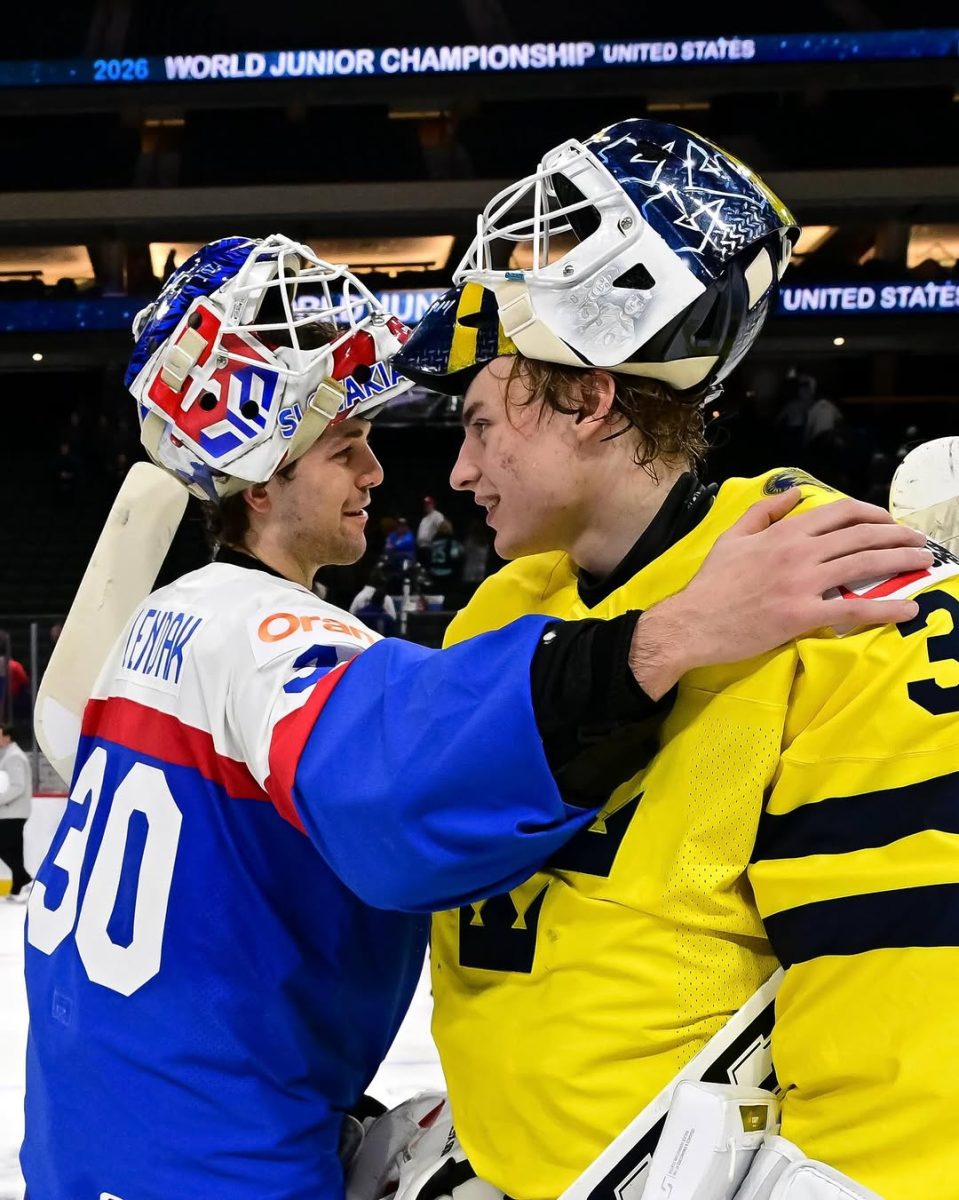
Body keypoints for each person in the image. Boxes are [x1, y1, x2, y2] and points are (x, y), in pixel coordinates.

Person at [22, 234, 926, 1200]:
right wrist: (671, 633)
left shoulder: (153, 631)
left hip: (93, 1137)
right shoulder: (264, 632)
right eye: (345, 447)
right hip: (212, 1168)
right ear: (260, 477)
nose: (381, 472)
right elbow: (406, 789)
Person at [393, 118, 954, 1200]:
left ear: (588, 397)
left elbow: (913, 973)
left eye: (476, 425)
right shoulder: (502, 606)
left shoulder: (843, 586)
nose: (458, 472)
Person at [0, 722, 33, 901]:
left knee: (5, 846)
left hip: (13, 812)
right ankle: (17, 887)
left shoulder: (13, 757)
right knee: (14, 849)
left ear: (7, 737)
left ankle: (26, 879)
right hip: (10, 812)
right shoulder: (8, 755)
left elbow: (17, 786)